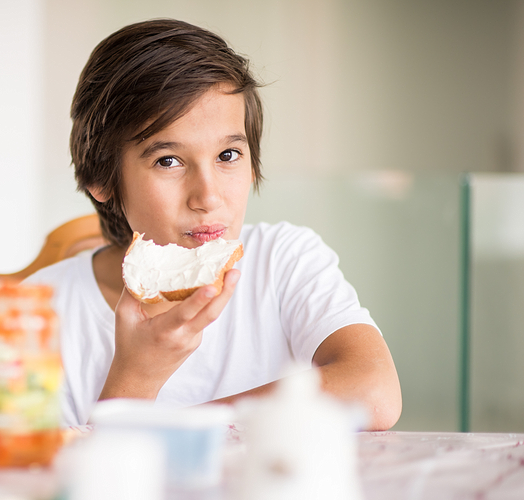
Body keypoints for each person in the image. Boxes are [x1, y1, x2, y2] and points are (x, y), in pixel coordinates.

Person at [24, 19, 402, 430]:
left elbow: (375, 393)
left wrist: (180, 430)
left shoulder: (285, 259)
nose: (208, 197)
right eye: (168, 160)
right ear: (102, 178)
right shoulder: (32, 312)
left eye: (228, 156)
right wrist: (137, 377)